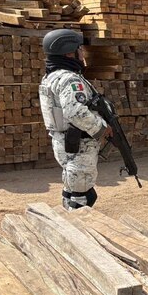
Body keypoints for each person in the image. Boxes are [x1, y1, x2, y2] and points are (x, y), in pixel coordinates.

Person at [39, 29, 112, 209]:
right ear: (69, 52)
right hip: (79, 144)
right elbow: (75, 112)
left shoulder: (50, 77)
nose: (82, 53)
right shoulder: (69, 79)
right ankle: (77, 232)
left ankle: (67, 222)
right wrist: (102, 128)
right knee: (83, 197)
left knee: (71, 189)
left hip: (64, 141)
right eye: (80, 49)